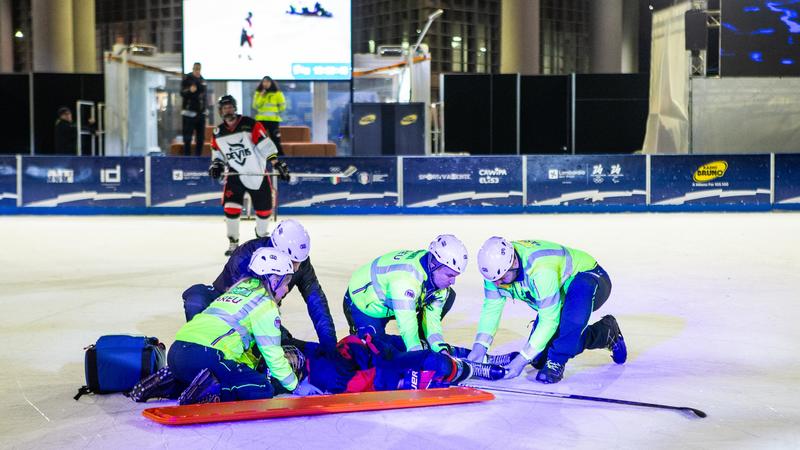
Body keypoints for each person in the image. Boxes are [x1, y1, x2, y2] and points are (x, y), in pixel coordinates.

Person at [162, 247, 322, 405]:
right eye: (286, 280)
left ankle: (173, 382)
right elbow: (272, 354)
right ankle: (211, 392)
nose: (287, 288)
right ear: (273, 279)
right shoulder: (265, 304)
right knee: (262, 387)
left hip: (177, 353)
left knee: (236, 374)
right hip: (205, 356)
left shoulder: (240, 288)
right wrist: (295, 387)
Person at [468, 237, 627, 384]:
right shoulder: (496, 270)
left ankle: (558, 359)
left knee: (567, 331)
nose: (497, 284)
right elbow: (491, 310)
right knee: (539, 359)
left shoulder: (540, 269)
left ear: (514, 263)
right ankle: (605, 334)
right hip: (559, 292)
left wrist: (522, 359)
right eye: (493, 281)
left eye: (501, 279)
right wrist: (479, 348)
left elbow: (549, 320)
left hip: (589, 280)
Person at [182, 219, 338, 354]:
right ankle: (200, 351)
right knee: (196, 299)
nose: (297, 268)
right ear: (278, 251)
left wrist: (329, 345)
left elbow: (316, 301)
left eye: (300, 262)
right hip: (227, 310)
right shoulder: (246, 256)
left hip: (263, 314)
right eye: (293, 262)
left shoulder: (300, 261)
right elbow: (244, 311)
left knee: (293, 349)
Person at [343, 235, 468, 354]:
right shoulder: (405, 280)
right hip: (364, 303)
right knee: (371, 352)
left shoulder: (433, 272)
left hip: (395, 300)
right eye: (450, 275)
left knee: (449, 296)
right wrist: (418, 354)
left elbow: (432, 321)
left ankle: (423, 343)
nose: (453, 281)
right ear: (433, 265)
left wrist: (440, 348)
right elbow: (407, 326)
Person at [208, 95, 291, 255]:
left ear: (235, 107)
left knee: (264, 210)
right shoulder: (218, 132)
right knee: (231, 209)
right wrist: (216, 164)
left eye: (230, 106)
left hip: (257, 173)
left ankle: (261, 239)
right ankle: (233, 242)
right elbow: (217, 152)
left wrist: (276, 163)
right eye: (225, 107)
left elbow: (265, 145)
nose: (228, 110)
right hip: (235, 174)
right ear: (220, 111)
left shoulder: (250, 124)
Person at [252, 76, 286, 155]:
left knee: (276, 139)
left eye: (267, 82)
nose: (266, 84)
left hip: (273, 120)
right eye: (264, 82)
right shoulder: (258, 93)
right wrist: (261, 96)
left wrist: (276, 112)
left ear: (271, 83)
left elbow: (283, 106)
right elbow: (255, 106)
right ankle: (258, 155)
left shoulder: (277, 93)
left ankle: (280, 156)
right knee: (259, 139)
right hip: (261, 120)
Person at [180, 62, 208, 156]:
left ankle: (198, 157)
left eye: (199, 69)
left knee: (200, 138)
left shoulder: (202, 80)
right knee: (187, 137)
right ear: (193, 69)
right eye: (195, 69)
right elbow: (182, 93)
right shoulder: (187, 79)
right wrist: (189, 90)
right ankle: (187, 157)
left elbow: (204, 97)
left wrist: (205, 109)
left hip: (200, 113)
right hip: (189, 113)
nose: (197, 71)